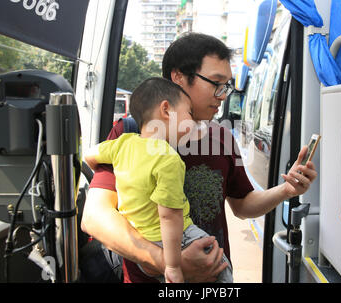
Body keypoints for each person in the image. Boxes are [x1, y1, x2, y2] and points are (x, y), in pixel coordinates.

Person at [81, 32, 318, 283]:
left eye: (227, 85)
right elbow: (95, 217)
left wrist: (286, 190)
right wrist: (169, 263)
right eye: (216, 83)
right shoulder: (130, 133)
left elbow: (242, 204)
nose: (223, 95)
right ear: (179, 78)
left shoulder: (222, 137)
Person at [83, 77, 232, 283]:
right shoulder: (168, 158)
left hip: (140, 238)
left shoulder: (122, 143)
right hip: (173, 242)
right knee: (220, 266)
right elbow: (169, 216)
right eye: (189, 113)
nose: (192, 121)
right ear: (166, 110)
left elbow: (89, 156)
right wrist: (172, 265)